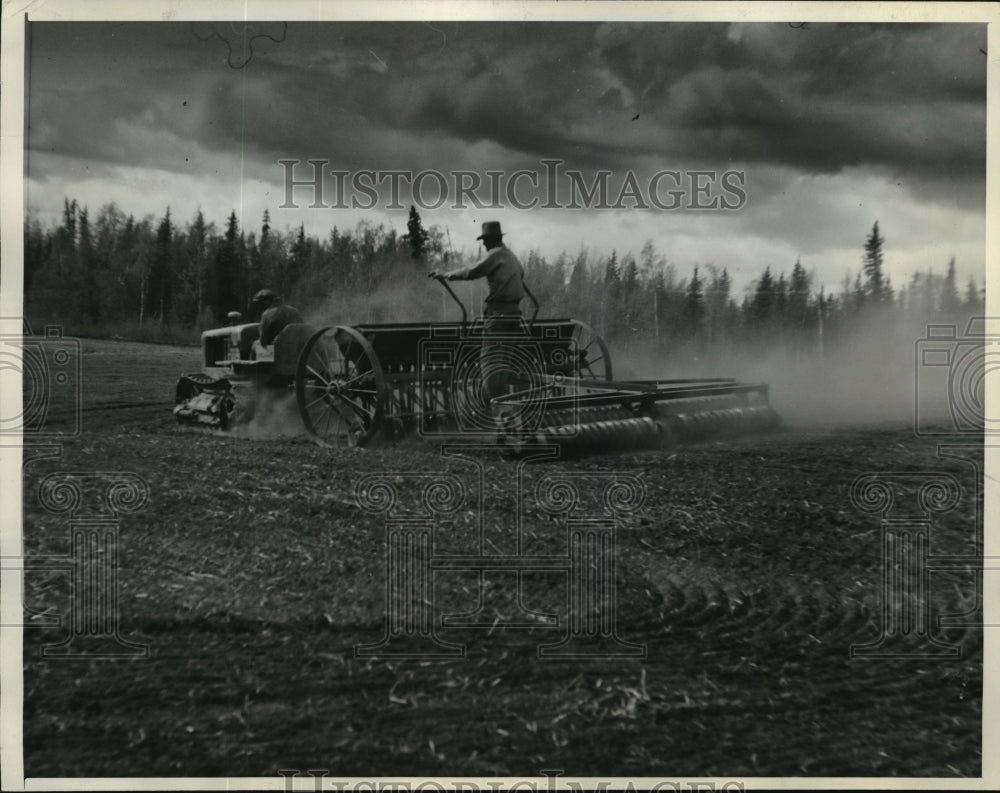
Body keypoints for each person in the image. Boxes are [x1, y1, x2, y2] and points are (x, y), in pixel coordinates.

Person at [429, 221, 527, 411]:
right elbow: (521, 273)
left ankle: (495, 411)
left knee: (489, 361)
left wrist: (446, 274)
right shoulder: (511, 256)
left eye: (485, 241)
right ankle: (503, 406)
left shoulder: (495, 255)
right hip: (515, 315)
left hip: (498, 315)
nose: (484, 245)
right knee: (504, 361)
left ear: (491, 240)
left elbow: (472, 271)